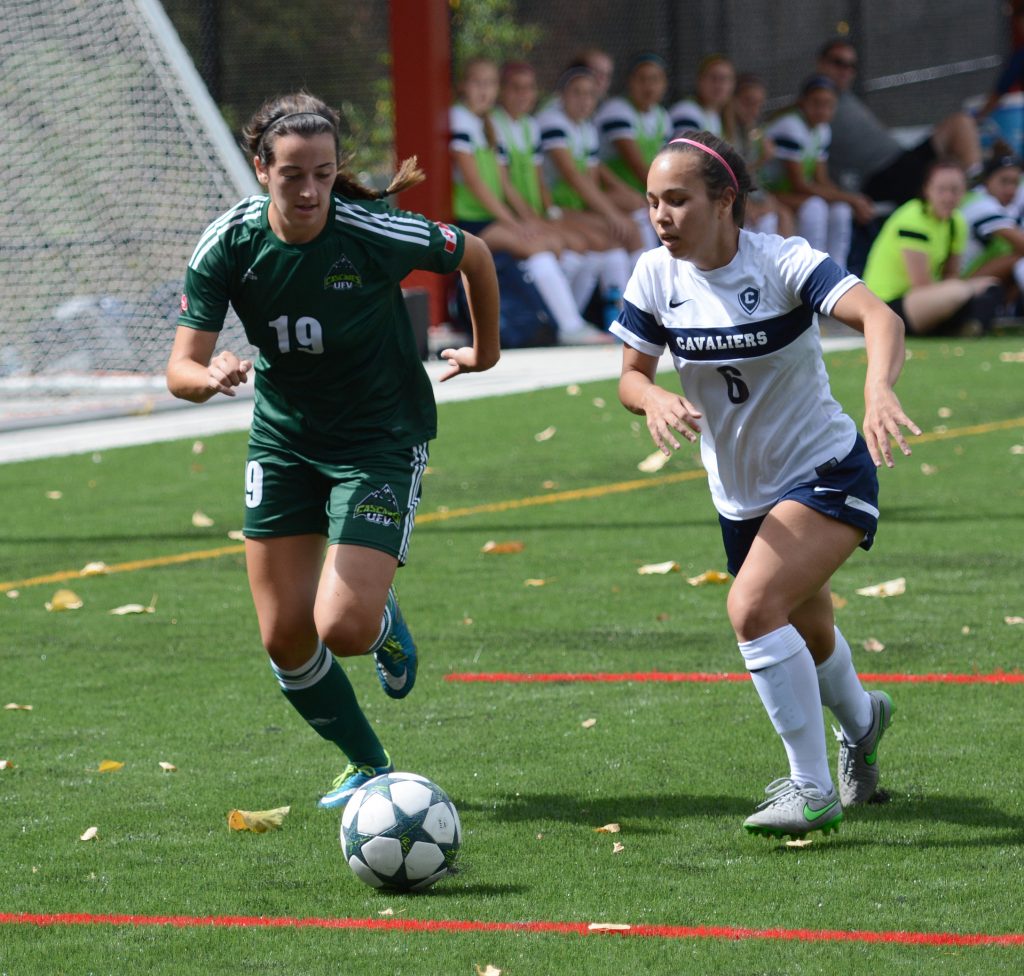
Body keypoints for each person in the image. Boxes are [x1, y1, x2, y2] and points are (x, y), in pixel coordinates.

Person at [166, 92, 500, 812]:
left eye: (323, 171)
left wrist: (487, 352)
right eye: (292, 174)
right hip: (285, 444)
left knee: (343, 627)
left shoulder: (370, 231)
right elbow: (179, 371)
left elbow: (472, 252)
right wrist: (211, 373)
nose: (310, 188)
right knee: (285, 635)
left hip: (378, 443)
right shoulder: (228, 245)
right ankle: (369, 763)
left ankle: (383, 625)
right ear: (262, 170)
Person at [612, 131, 919, 839]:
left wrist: (878, 391)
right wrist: (652, 399)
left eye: (678, 200)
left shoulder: (784, 261)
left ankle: (812, 791)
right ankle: (866, 722)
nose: (661, 215)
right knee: (809, 636)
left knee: (751, 609)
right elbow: (630, 376)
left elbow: (881, 316)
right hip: (740, 496)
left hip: (826, 471)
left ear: (727, 202)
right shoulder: (655, 276)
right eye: (653, 201)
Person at [450, 56, 605, 344]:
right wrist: (515, 223)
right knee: (538, 247)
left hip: (496, 218)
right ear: (462, 86)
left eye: (489, 84)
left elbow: (503, 183)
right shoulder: (460, 117)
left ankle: (560, 320)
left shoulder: (485, 123)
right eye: (477, 83)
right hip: (472, 222)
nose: (484, 90)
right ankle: (568, 327)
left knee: (562, 247)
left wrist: (528, 220)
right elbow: (476, 184)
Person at [537, 65, 645, 321]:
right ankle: (573, 321)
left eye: (590, 94)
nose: (584, 100)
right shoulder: (552, 121)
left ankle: (629, 316)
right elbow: (572, 176)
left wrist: (616, 210)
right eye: (577, 93)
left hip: (575, 209)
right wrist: (611, 215)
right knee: (614, 236)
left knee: (622, 240)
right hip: (553, 209)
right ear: (561, 96)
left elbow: (592, 181)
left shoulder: (586, 128)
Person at [816, 38, 982, 203]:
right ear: (821, 63)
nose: (846, 71)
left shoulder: (845, 96)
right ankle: (977, 199)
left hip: (902, 160)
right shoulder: (814, 103)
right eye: (839, 63)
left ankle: (977, 190)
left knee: (961, 123)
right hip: (880, 178)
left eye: (852, 66)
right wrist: (848, 197)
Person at [862, 159, 1003, 335]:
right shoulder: (912, 220)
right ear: (927, 190)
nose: (948, 197)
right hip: (889, 304)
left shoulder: (956, 222)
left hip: (928, 298)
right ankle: (962, 323)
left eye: (955, 190)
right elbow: (921, 285)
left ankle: (966, 325)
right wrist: (966, 289)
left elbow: (950, 273)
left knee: (990, 286)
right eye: (942, 190)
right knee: (960, 291)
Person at [760, 75, 874, 268]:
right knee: (815, 207)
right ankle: (810, 269)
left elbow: (822, 179)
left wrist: (847, 200)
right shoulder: (791, 127)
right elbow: (799, 184)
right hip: (768, 192)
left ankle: (838, 269)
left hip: (792, 194)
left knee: (840, 209)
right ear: (803, 102)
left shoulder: (822, 130)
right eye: (816, 103)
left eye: (829, 104)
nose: (822, 110)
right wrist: (852, 198)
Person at [594, 52, 672, 201]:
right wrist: (667, 197)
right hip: (615, 195)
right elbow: (636, 165)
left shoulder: (662, 116)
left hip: (644, 194)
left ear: (664, 84)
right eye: (641, 79)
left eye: (655, 79)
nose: (648, 86)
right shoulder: (616, 110)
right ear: (630, 82)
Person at [726, 72, 794, 237]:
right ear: (732, 100)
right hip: (730, 196)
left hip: (750, 194)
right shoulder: (724, 129)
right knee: (765, 219)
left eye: (758, 105)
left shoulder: (752, 130)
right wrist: (761, 159)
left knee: (783, 215)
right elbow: (729, 174)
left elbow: (758, 180)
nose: (754, 111)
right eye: (748, 102)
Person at [960, 149, 1024, 306]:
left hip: (969, 277)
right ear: (987, 180)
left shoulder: (994, 203)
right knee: (1019, 258)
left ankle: (1005, 311)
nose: (1010, 189)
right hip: (958, 281)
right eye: (1004, 181)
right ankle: (1006, 310)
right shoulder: (981, 205)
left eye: (1015, 183)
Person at [669, 54, 736, 139]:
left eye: (725, 79)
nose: (719, 85)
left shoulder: (713, 116)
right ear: (699, 80)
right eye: (713, 78)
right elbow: (685, 151)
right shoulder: (686, 111)